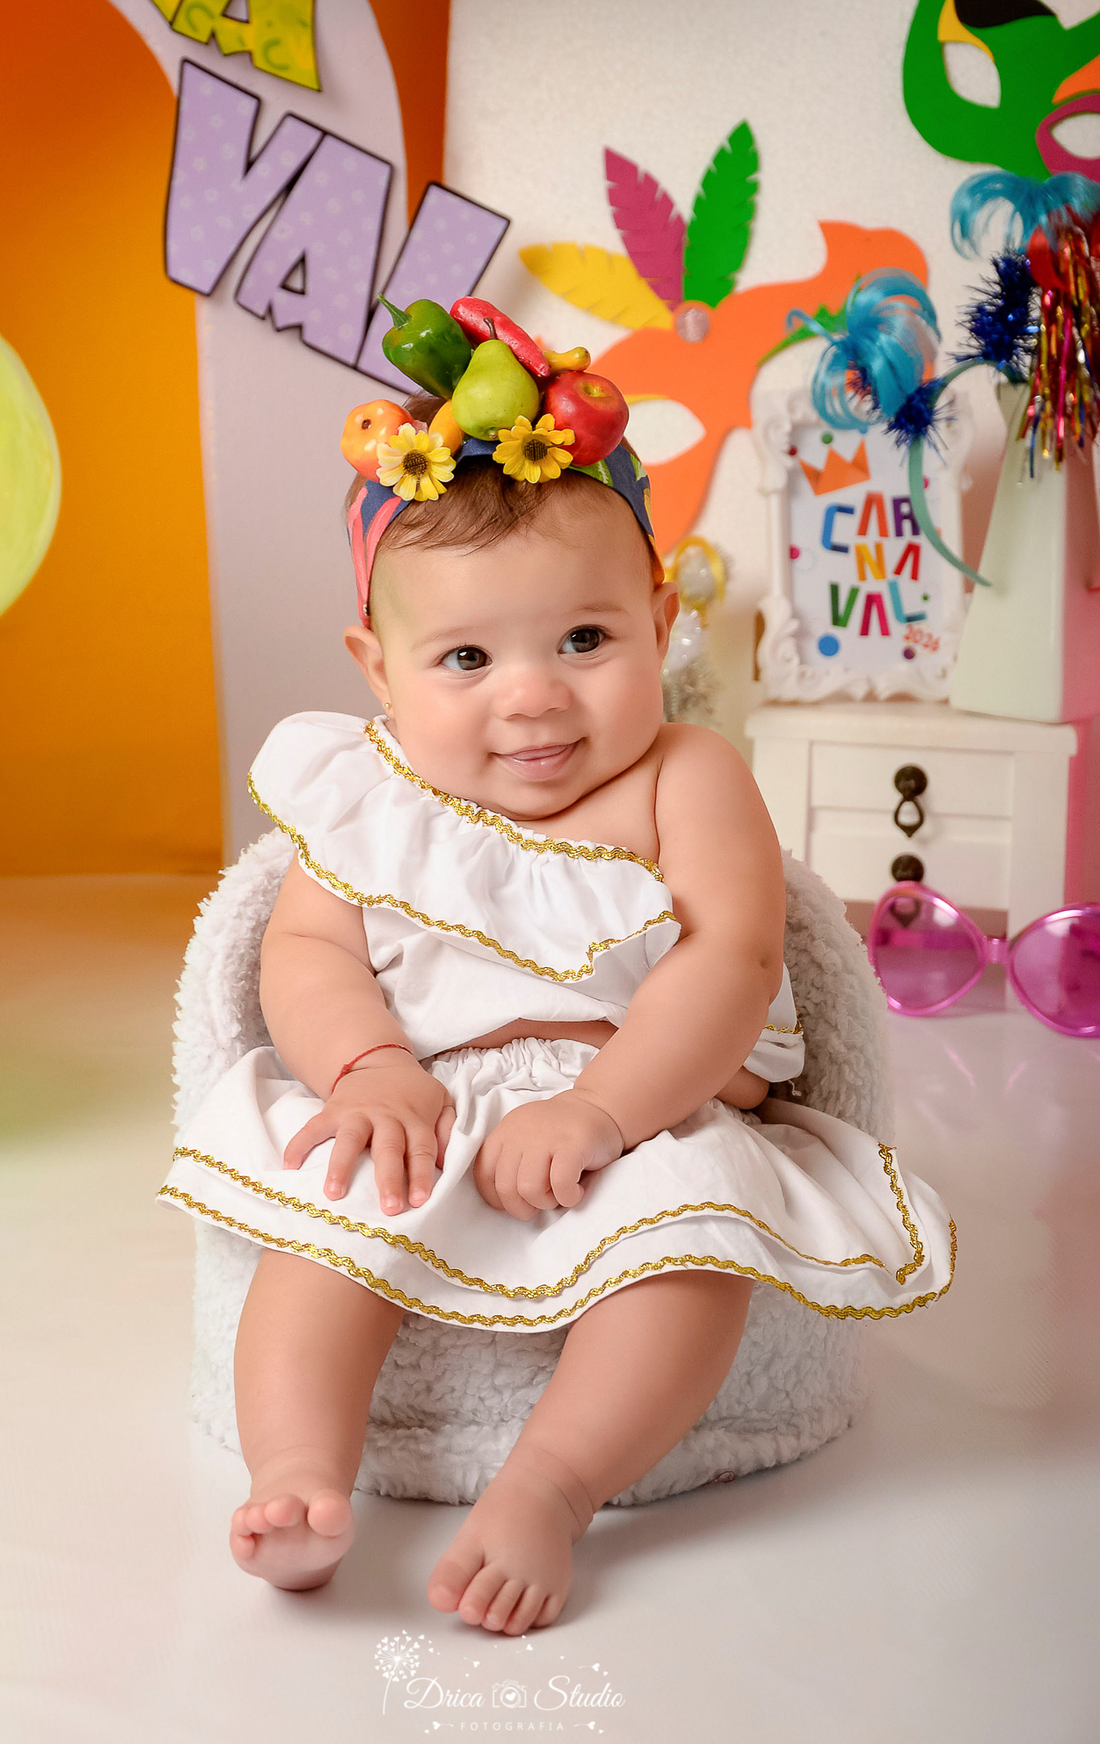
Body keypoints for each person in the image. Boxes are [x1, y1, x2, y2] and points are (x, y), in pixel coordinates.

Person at [156, 338, 954, 1637]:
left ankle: (552, 1485)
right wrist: (368, 1069)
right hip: (423, 1091)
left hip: (645, 1098)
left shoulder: (683, 776)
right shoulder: (367, 791)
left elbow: (736, 957)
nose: (533, 698)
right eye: (466, 661)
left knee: (694, 1243)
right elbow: (303, 950)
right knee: (323, 1226)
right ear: (377, 670)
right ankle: (296, 1471)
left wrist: (603, 1113)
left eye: (586, 637)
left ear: (660, 619)